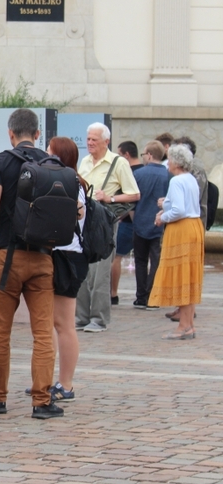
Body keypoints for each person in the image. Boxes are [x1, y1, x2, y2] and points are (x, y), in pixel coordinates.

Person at [0, 109, 64, 419]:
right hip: (42, 258)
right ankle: (42, 400)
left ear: (11, 134)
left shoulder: (0, 162)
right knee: (42, 334)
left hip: (8, 258)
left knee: (0, 333)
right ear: (38, 134)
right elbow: (75, 211)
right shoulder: (53, 164)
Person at [76, 123, 140, 333]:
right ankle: (81, 316)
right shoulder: (84, 162)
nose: (90, 143)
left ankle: (99, 318)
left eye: (94, 139)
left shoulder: (118, 163)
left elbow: (134, 194)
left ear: (106, 141)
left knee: (101, 270)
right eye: (88, 139)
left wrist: (109, 197)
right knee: (82, 269)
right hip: (83, 220)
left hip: (103, 221)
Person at [44, 137, 88, 403]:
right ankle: (46, 379)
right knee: (47, 322)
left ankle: (66, 384)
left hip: (67, 257)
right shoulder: (67, 180)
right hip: (57, 255)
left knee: (63, 323)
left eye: (49, 153)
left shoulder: (72, 183)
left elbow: (74, 217)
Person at [148, 144, 203, 339]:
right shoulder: (191, 179)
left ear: (176, 163)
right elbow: (186, 205)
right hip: (194, 226)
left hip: (181, 230)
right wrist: (167, 206)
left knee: (181, 277)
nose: (167, 163)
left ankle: (183, 326)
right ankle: (189, 325)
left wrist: (162, 217)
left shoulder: (177, 181)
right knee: (188, 277)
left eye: (170, 159)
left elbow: (179, 211)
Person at [131, 141, 169, 310]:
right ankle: (153, 295)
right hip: (160, 223)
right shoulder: (168, 176)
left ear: (150, 155)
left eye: (144, 154)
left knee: (140, 260)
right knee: (156, 260)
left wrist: (135, 218)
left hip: (139, 222)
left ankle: (141, 297)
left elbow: (132, 200)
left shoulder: (138, 174)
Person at [110, 141, 142, 306]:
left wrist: (119, 216)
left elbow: (130, 201)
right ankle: (146, 295)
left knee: (116, 257)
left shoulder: (128, 172)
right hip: (148, 223)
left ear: (126, 155)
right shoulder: (145, 170)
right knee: (144, 260)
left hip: (129, 223)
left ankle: (113, 293)